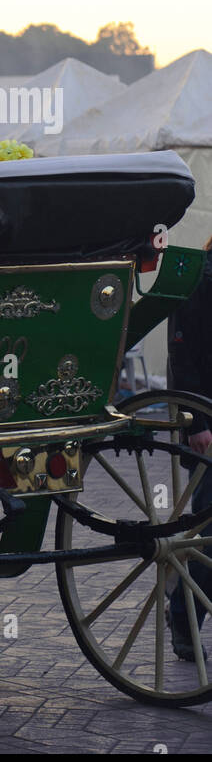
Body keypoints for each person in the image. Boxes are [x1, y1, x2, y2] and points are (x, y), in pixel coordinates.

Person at [168, 234, 212, 663]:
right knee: (209, 533)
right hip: (209, 423)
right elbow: (183, 354)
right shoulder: (200, 276)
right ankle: (183, 614)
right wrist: (196, 422)